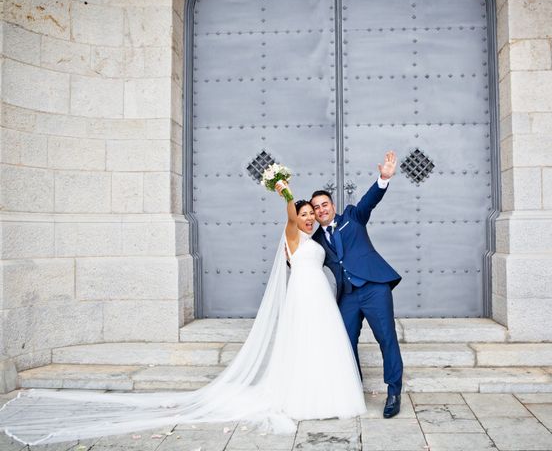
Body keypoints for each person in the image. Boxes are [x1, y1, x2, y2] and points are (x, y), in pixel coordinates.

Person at [0, 184, 365, 446]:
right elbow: (289, 214)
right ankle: (304, 398)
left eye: (309, 215)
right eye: (304, 215)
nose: (307, 219)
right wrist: (285, 190)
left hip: (320, 298)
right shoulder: (292, 235)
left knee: (323, 347)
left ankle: (331, 395)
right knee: (303, 346)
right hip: (302, 299)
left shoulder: (318, 239)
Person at [311, 150, 403, 418]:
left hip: (374, 287)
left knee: (386, 339)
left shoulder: (353, 216)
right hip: (348, 297)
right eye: (316, 208)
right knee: (346, 343)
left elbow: (369, 201)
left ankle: (394, 391)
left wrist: (383, 179)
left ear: (333, 206)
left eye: (324, 204)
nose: (321, 210)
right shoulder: (315, 239)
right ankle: (353, 389)